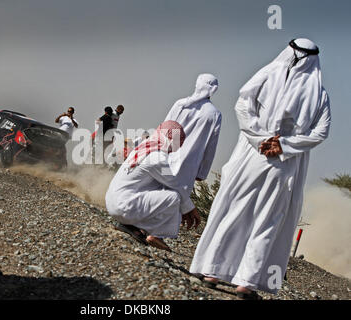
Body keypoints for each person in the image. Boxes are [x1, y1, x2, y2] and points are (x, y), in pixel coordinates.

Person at [189, 39, 331, 300]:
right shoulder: (319, 94)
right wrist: (284, 144)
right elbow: (321, 133)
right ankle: (246, 283)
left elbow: (242, 105)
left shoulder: (266, 74)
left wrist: (260, 139)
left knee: (235, 211)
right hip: (283, 165)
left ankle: (212, 272)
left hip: (251, 158)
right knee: (267, 220)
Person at [105, 120, 201, 251]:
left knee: (162, 190)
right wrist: (190, 209)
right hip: (123, 207)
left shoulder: (144, 148)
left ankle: (133, 226)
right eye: (177, 143)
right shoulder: (158, 158)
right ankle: (155, 233)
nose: (175, 149)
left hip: (113, 203)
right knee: (174, 197)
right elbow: (174, 184)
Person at [164, 73, 222, 216]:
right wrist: (202, 171)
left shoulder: (180, 104)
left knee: (157, 188)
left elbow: (165, 128)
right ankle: (156, 231)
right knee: (176, 196)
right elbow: (210, 146)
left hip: (167, 155)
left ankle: (142, 223)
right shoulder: (214, 114)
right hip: (189, 163)